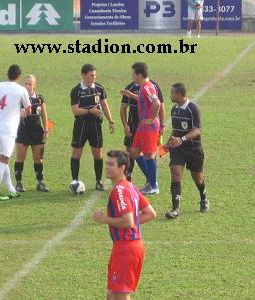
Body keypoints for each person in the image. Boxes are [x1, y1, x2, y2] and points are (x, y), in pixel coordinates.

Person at [89, 150, 168, 300]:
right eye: (106, 164)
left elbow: (127, 221)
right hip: (128, 247)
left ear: (123, 167)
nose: (107, 168)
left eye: (111, 164)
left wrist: (103, 219)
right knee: (112, 297)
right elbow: (150, 213)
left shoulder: (120, 191)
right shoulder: (130, 187)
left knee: (122, 299)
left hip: (126, 249)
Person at [0, 64, 31, 201]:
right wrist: (23, 113)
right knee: (4, 160)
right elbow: (29, 109)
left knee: (3, 158)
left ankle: (11, 189)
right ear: (19, 77)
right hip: (7, 130)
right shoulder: (21, 90)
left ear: (7, 74)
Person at [165, 83, 209, 219]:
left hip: (193, 149)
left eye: (172, 93)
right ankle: (175, 209)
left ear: (179, 94)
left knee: (198, 178)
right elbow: (175, 129)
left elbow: (197, 130)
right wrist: (168, 144)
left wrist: (182, 139)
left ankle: (203, 198)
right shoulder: (174, 109)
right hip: (178, 149)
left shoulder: (192, 108)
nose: (170, 95)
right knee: (176, 173)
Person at [70, 64, 115, 191]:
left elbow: (104, 105)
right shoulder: (76, 90)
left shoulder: (99, 88)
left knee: (98, 153)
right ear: (83, 75)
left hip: (95, 125)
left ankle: (98, 181)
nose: (94, 78)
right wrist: (90, 111)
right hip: (81, 125)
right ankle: (74, 180)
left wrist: (111, 121)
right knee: (77, 152)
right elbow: (75, 110)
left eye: (95, 75)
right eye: (91, 75)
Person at [120, 62, 161, 195]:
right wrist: (131, 95)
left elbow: (156, 102)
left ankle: (153, 186)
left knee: (149, 155)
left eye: (133, 74)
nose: (132, 77)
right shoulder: (143, 87)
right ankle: (150, 180)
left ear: (139, 74)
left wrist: (151, 118)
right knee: (134, 151)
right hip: (142, 126)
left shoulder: (147, 87)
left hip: (149, 126)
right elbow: (144, 100)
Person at [14, 75, 49, 193]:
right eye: (26, 83)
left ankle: (40, 183)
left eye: (30, 84)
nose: (28, 86)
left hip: (37, 132)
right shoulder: (20, 98)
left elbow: (44, 114)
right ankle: (18, 183)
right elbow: (13, 112)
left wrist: (46, 129)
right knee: (20, 158)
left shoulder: (39, 98)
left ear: (34, 85)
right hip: (22, 131)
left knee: (38, 158)